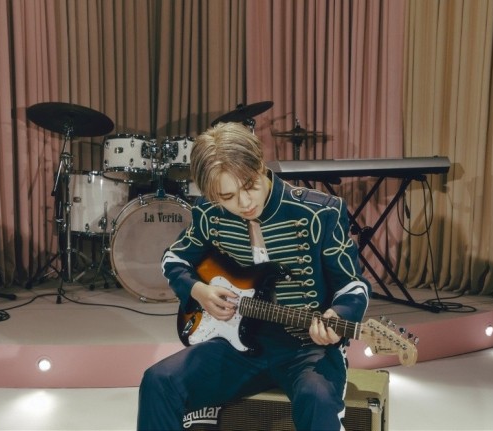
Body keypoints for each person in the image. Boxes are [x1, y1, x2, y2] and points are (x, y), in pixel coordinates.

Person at [137, 121, 370, 430]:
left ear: (260, 165)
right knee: (158, 381)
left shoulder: (321, 212)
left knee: (317, 398)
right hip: (237, 345)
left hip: (307, 348)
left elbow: (352, 284)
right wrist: (198, 291)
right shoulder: (209, 212)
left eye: (249, 186)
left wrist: (337, 316)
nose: (244, 203)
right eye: (228, 196)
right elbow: (174, 258)